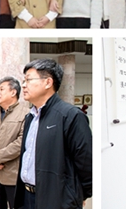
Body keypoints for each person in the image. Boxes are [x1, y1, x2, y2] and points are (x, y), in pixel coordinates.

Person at [15, 59, 92, 209]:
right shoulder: (30, 117)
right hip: (27, 196)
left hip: (57, 199)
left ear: (48, 82)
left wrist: (79, 194)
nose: (23, 85)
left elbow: (86, 162)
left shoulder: (70, 115)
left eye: (28, 80)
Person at [0, 77, 31, 209]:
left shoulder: (26, 114)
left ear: (13, 92)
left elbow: (21, 142)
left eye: (1, 89)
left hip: (13, 174)